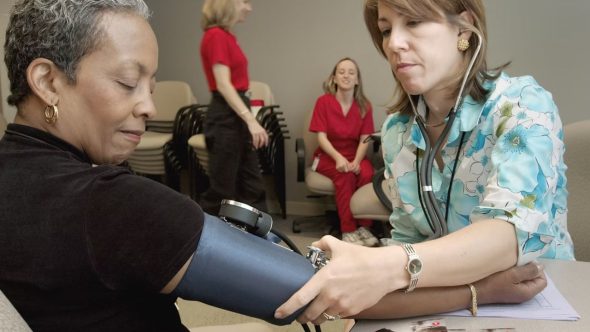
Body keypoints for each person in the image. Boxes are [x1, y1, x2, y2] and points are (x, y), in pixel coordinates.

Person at [275, 0, 572, 325]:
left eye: (414, 22)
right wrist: (477, 291)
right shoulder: (396, 133)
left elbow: (509, 236)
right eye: (386, 30)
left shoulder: (522, 105)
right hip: (443, 303)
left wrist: (382, 266)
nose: (393, 44)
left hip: (539, 299)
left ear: (463, 27)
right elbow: (388, 278)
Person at [0, 1, 286, 331]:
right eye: (127, 82)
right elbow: (305, 289)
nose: (149, 107)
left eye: (150, 88)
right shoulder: (108, 202)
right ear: (48, 82)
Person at [198, 0, 269, 215]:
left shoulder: (228, 37)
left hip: (235, 113)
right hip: (225, 117)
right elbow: (223, 85)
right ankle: (199, 242)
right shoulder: (216, 36)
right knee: (222, 191)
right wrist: (251, 120)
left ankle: (256, 240)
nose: (249, 8)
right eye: (244, 2)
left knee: (252, 185)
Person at [309, 57, 378, 247]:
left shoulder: (365, 106)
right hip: (328, 155)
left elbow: (365, 137)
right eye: (341, 72)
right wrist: (339, 158)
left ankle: (364, 227)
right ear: (334, 78)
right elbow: (321, 137)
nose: (346, 76)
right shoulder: (323, 102)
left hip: (353, 154)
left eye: (351, 72)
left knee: (367, 172)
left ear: (357, 80)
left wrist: (357, 160)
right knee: (345, 175)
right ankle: (348, 230)